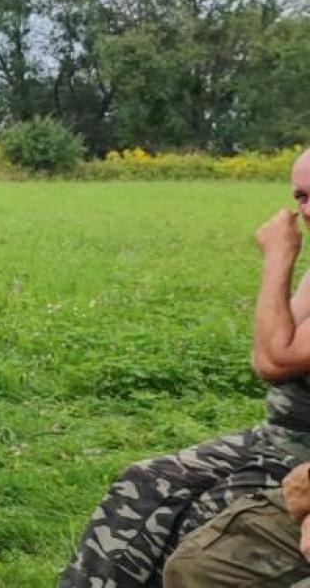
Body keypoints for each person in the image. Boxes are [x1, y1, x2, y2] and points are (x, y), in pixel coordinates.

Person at [67, 148, 310, 586]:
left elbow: (276, 358)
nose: (307, 210)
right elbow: (267, 353)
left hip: (300, 452)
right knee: (142, 484)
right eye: (302, 197)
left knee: (195, 529)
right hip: (275, 437)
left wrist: (278, 258)